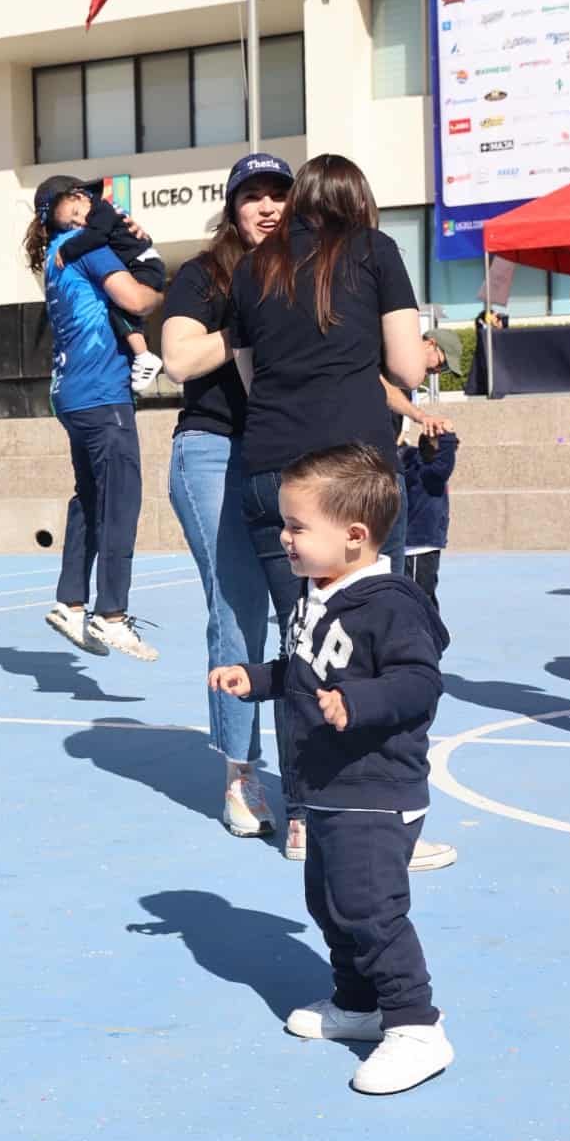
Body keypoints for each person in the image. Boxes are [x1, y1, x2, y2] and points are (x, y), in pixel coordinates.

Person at [226, 154, 455, 872]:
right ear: (360, 201)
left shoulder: (253, 267)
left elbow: (247, 371)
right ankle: (372, 820)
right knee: (370, 646)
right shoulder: (372, 251)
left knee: (300, 648)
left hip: (270, 467)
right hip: (352, 473)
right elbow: (408, 368)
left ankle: (301, 819)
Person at [209, 443, 454, 1096]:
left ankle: (415, 1024)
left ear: (352, 536)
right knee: (327, 901)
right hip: (325, 785)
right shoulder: (313, 595)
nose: (283, 537)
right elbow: (303, 672)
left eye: (295, 527)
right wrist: (257, 679)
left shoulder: (389, 604)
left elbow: (418, 682)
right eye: (283, 524)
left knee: (368, 906)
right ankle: (358, 1002)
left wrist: (360, 701)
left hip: (376, 786)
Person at [161, 153, 293, 838]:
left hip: (293, 452)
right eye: (253, 197)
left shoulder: (309, 272)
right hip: (213, 450)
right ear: (232, 208)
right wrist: (245, 324)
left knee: (307, 613)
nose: (267, 207)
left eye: (278, 195)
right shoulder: (205, 274)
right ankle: (242, 776)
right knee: (237, 608)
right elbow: (178, 359)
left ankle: (308, 775)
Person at [23, 175, 164, 661]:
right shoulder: (84, 248)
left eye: (84, 199)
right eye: (69, 203)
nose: (82, 207)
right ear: (50, 217)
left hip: (71, 393)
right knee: (121, 500)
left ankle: (70, 602)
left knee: (90, 498)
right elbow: (137, 300)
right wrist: (150, 263)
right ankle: (112, 615)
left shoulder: (61, 256)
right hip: (102, 394)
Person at [50, 179, 166, 392]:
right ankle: (142, 355)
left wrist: (67, 250)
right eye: (71, 225)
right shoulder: (101, 212)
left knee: (120, 306)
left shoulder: (101, 210)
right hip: (142, 262)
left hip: (143, 263)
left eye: (77, 213)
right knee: (122, 308)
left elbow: (96, 236)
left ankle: (144, 356)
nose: (80, 223)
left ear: (81, 197)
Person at [399, 424, 458, 610]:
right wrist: (446, 434)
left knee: (425, 593)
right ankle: (424, 634)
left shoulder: (416, 468)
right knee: (419, 595)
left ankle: (433, 632)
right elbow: (445, 463)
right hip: (419, 546)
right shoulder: (428, 474)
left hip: (422, 544)